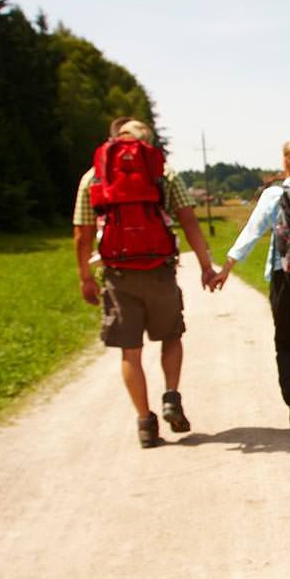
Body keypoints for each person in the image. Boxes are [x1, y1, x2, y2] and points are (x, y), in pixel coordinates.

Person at [73, 117, 220, 448]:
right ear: (147, 143)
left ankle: (144, 422)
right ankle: (171, 396)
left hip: (118, 274)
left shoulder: (93, 176)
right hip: (160, 271)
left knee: (130, 352)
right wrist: (205, 265)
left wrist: (85, 277)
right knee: (171, 336)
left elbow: (82, 234)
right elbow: (189, 221)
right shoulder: (162, 173)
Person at [212, 141, 290, 432]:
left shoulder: (274, 195)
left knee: (287, 344)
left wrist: (227, 268)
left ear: (287, 164)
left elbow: (251, 232)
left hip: (286, 281)